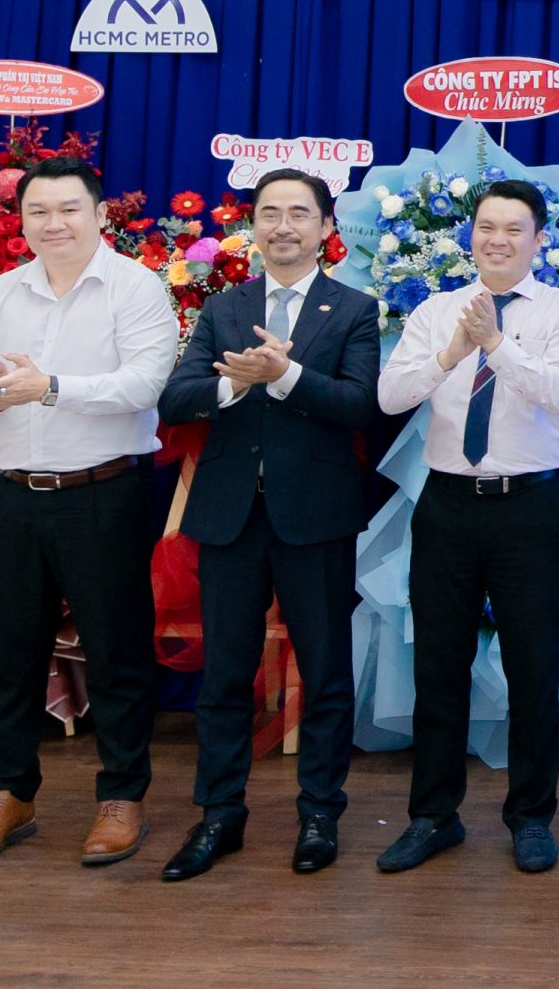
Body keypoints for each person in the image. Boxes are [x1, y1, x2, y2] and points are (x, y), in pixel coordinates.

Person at [0, 155, 179, 869]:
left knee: (116, 653)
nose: (54, 223)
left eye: (69, 209)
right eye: (38, 211)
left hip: (104, 492)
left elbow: (145, 384)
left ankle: (122, 795)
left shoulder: (134, 286)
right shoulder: (2, 291)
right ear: (20, 221)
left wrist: (47, 388)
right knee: (9, 655)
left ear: (100, 215)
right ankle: (9, 794)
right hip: (14, 493)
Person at [156, 167, 383, 881]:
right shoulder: (223, 308)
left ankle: (320, 813)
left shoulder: (354, 309)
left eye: (299, 213)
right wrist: (235, 381)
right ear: (252, 225)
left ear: (325, 227)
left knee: (325, 672)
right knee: (225, 676)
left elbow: (362, 404)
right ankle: (219, 814)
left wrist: (284, 376)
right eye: (270, 212)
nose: (284, 225)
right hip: (229, 515)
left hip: (315, 515)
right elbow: (176, 397)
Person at [374, 179, 559, 876]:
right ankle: (433, 816)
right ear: (471, 234)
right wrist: (451, 352)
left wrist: (495, 343)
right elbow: (389, 396)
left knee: (531, 666)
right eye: (486, 227)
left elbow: (558, 392)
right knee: (438, 666)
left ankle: (530, 818)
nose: (497, 240)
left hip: (527, 506)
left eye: (513, 229)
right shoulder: (436, 310)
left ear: (538, 240)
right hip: (446, 503)